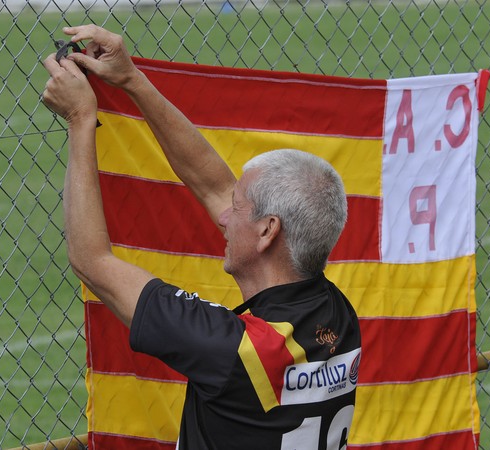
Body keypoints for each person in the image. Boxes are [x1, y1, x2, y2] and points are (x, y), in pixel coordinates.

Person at [42, 25, 361, 450]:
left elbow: (92, 261)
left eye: (240, 207)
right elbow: (211, 185)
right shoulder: (337, 314)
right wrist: (131, 79)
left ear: (268, 232)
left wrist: (81, 121)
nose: (226, 217)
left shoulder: (236, 351)